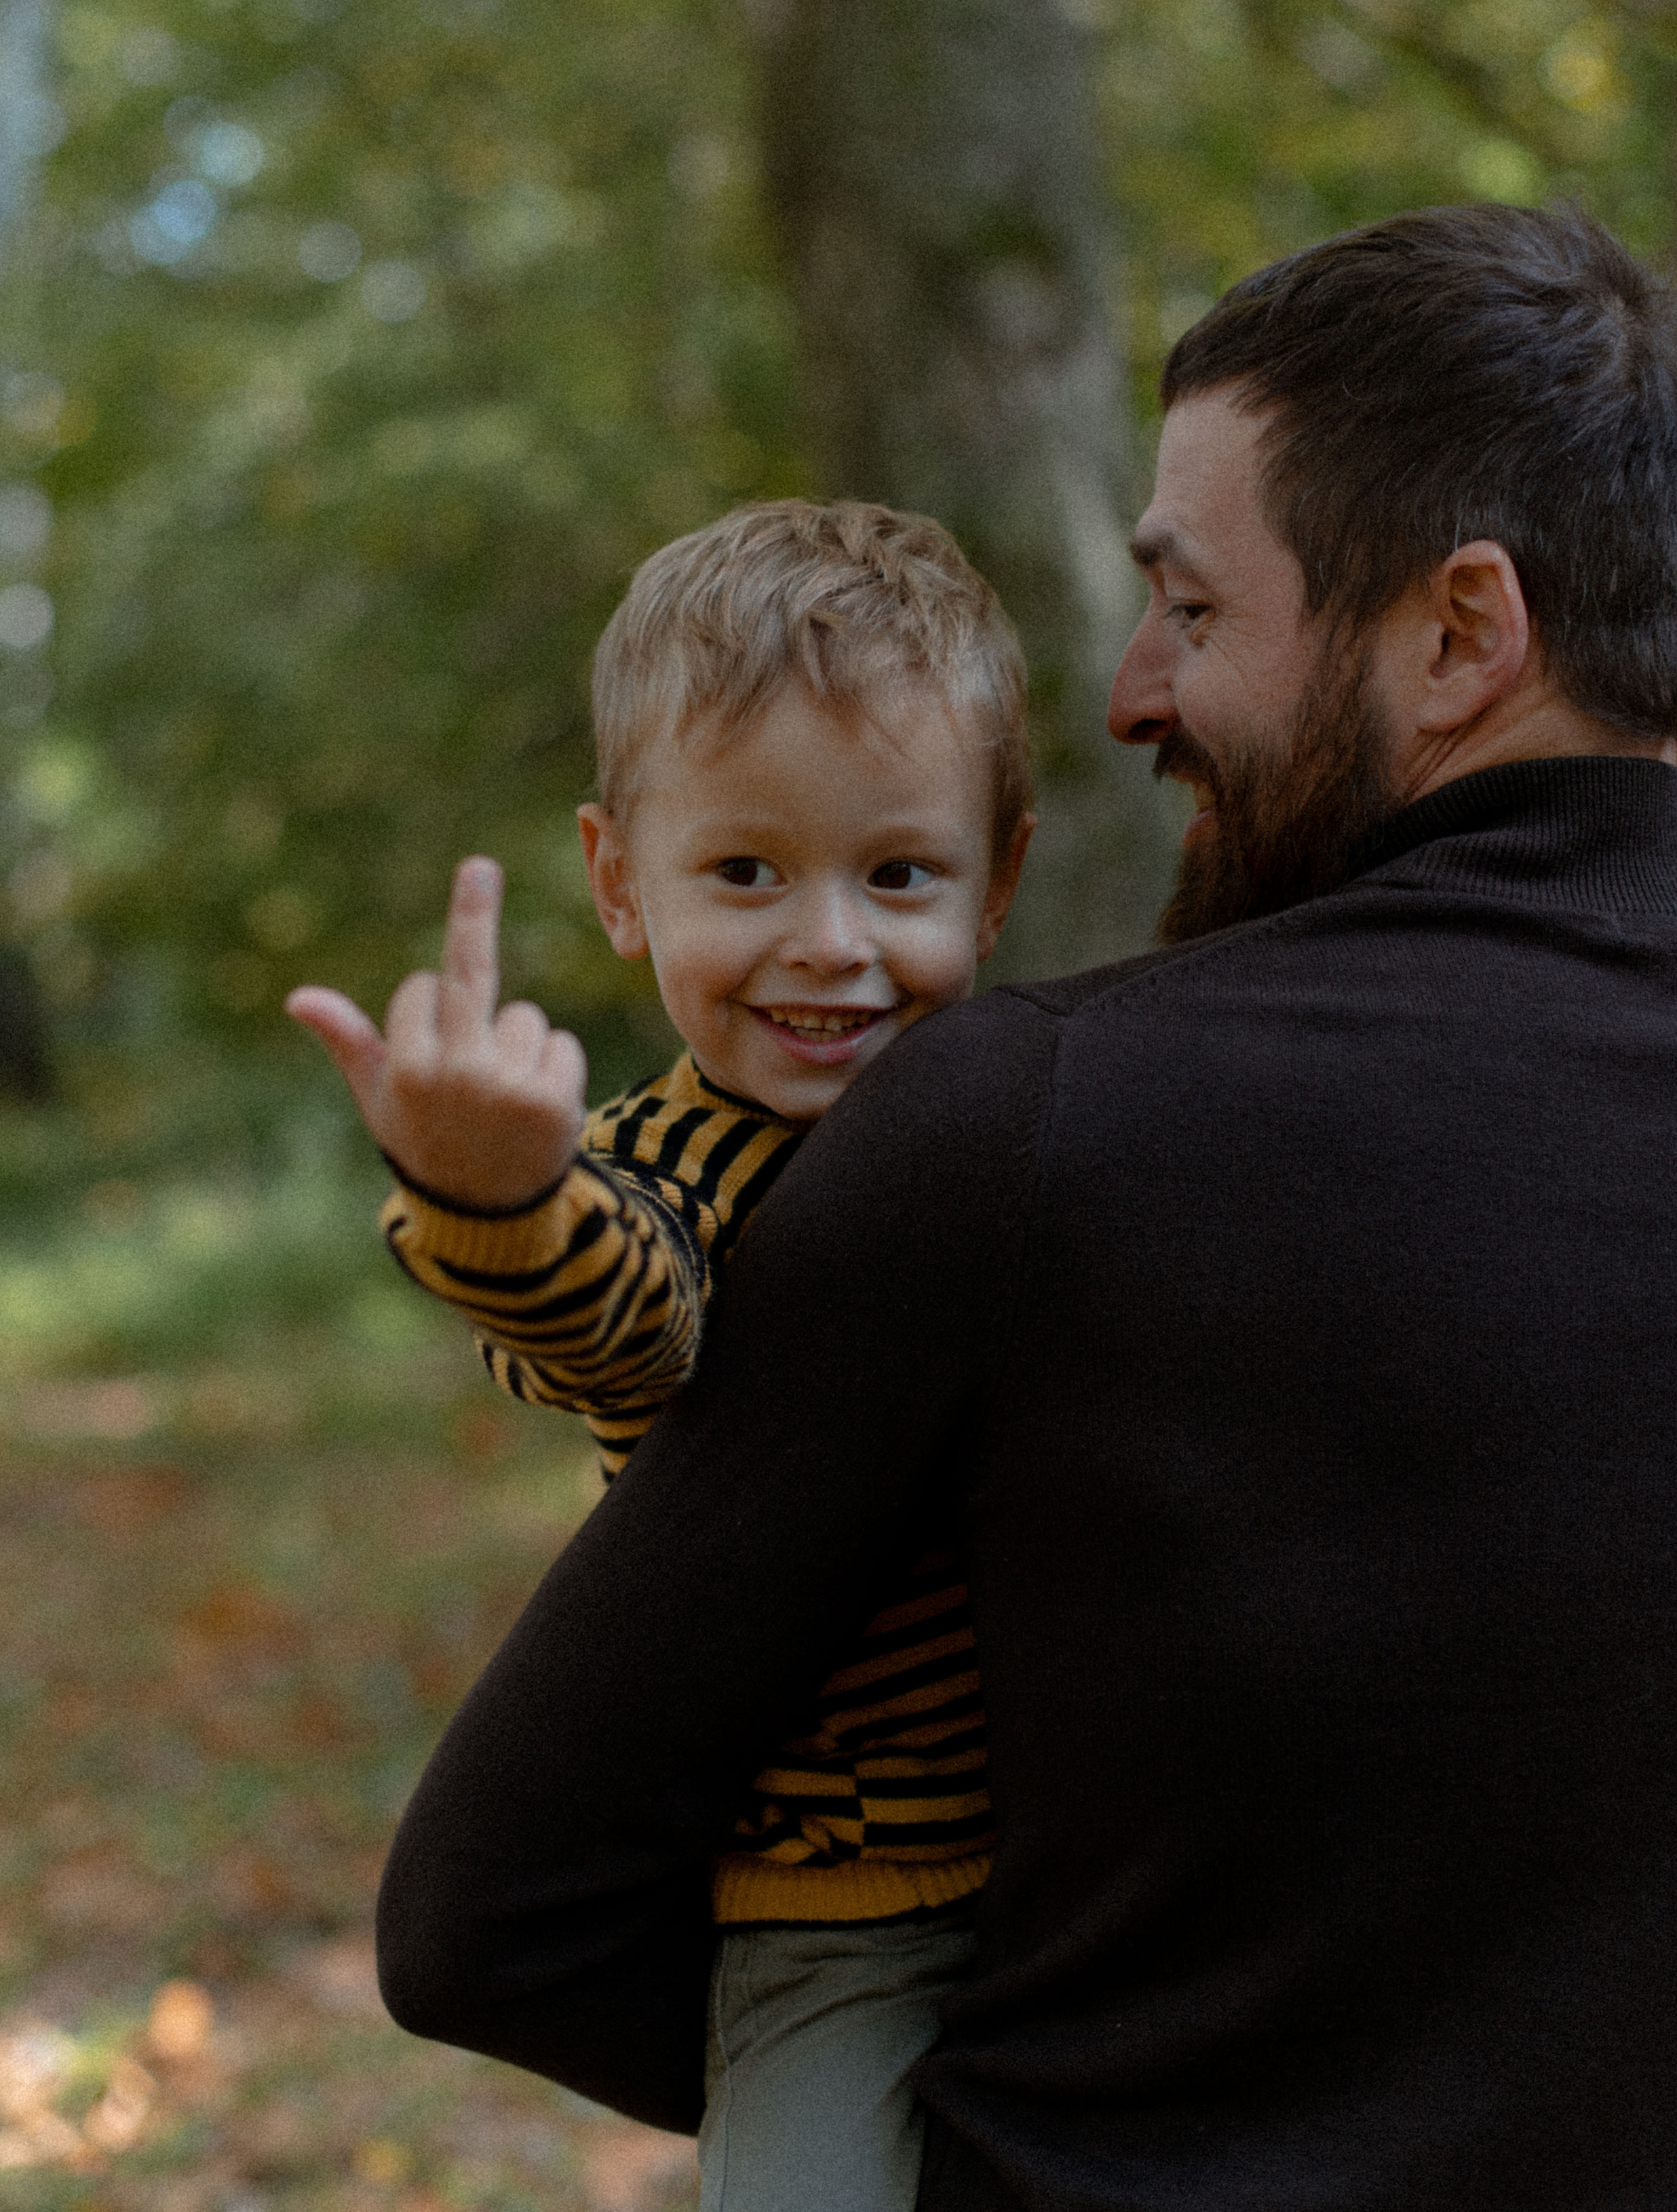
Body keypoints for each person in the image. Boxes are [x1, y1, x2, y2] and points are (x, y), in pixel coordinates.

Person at [373, 203, 1677, 2208]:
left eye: (1189, 608)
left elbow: (486, 1913)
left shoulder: (1026, 1119)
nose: (1126, 694)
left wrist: (936, 2100)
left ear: (1460, 634)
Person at [287, 499, 1035, 2212]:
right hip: (846, 1905)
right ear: (622, 883)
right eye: (746, 872)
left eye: (897, 873)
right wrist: (498, 1198)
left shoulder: (1024, 1116)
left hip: (1105, 1859)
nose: (830, 944)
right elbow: (622, 1325)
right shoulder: (675, 1163)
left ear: (996, 884)